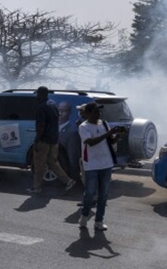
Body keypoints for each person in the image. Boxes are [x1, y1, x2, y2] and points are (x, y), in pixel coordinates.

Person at [77, 102, 127, 231]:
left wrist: (118, 135)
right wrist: (108, 133)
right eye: (95, 111)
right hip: (91, 164)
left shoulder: (104, 123)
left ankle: (99, 220)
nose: (98, 114)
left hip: (106, 163)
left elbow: (110, 141)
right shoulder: (84, 127)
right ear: (87, 114)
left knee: (103, 194)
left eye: (99, 111)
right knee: (90, 192)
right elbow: (91, 143)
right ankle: (84, 215)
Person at [27, 86, 76, 194]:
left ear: (40, 94)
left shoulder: (41, 107)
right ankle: (68, 181)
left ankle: (37, 187)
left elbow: (40, 125)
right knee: (53, 162)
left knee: (39, 164)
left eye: (38, 94)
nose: (37, 96)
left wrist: (37, 140)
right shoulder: (53, 104)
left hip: (44, 140)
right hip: (54, 140)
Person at [58, 100, 82, 182]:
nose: (60, 113)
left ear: (70, 113)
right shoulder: (55, 127)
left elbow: (73, 156)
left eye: (63, 111)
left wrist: (74, 176)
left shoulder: (71, 131)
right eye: (59, 110)